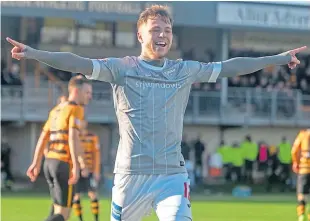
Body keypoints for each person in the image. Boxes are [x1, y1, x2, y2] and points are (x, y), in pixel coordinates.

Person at [7, 4, 306, 221]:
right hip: (129, 176)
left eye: (167, 30)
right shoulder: (121, 68)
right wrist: (34, 53)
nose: (162, 35)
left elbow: (231, 67)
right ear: (140, 35)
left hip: (171, 175)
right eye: (155, 30)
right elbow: (77, 62)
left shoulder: (184, 70)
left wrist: (277, 58)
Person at [26, 76, 92, 221]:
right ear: (76, 91)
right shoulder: (75, 108)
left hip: (49, 163)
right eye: (87, 92)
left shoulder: (56, 110)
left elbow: (43, 138)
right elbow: (73, 138)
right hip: (63, 164)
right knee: (63, 215)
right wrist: (76, 165)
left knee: (56, 209)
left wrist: (36, 163)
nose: (90, 96)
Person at [73, 121, 101, 221]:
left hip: (90, 171)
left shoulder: (93, 137)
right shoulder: (74, 138)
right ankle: (80, 219)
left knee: (93, 194)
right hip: (77, 171)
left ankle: (96, 219)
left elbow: (96, 155)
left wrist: (96, 171)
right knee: (76, 196)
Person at [291, 129, 310, 221]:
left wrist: (295, 162)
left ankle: (301, 215)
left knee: (302, 193)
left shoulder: (303, 135)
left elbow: (294, 150)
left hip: (304, 169)